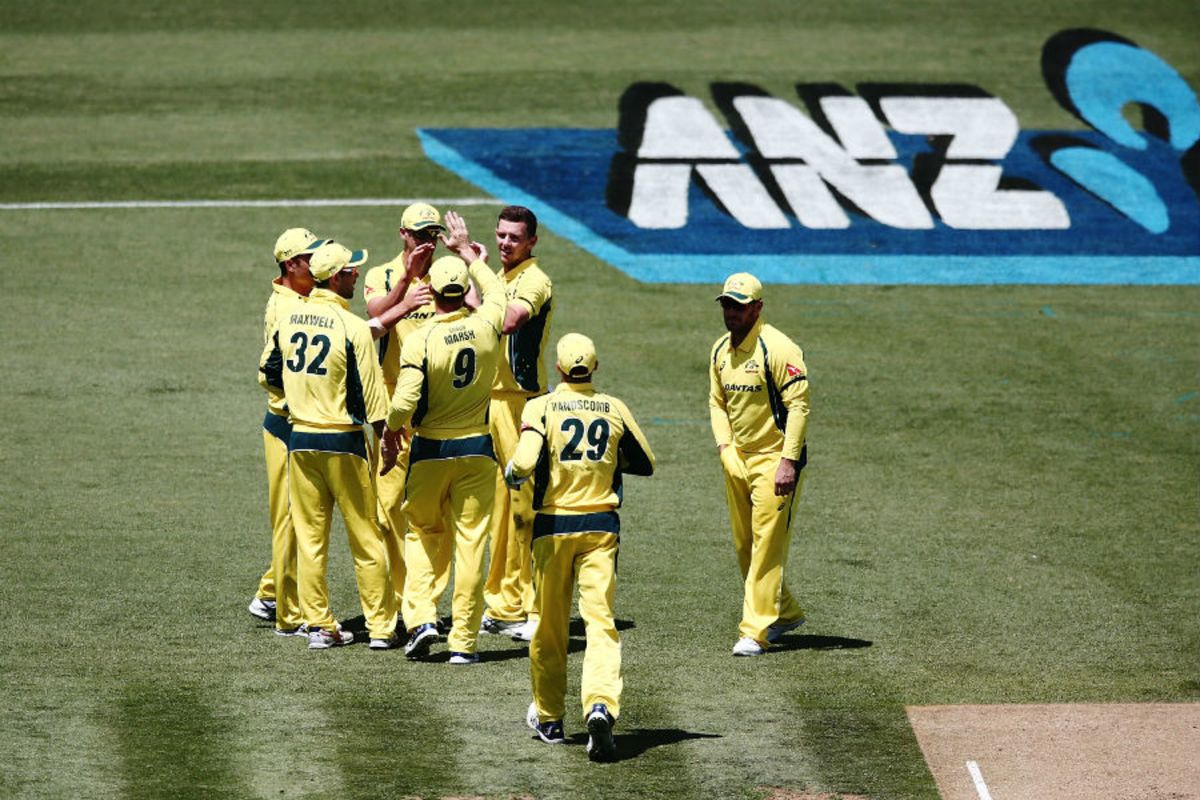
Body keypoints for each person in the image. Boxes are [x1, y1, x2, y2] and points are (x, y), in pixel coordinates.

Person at [505, 333, 655, 762]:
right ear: (594, 367)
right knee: (600, 624)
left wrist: (513, 473)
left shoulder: (540, 407)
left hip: (553, 528)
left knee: (550, 628)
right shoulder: (614, 407)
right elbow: (646, 461)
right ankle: (600, 706)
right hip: (601, 530)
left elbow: (527, 460)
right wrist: (605, 462)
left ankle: (550, 719)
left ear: (558, 368)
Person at [260, 241, 398, 650]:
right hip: (344, 443)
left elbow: (267, 373)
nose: (356, 274)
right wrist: (386, 442)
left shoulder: (290, 318)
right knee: (366, 537)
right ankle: (381, 627)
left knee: (310, 538)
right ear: (336, 278)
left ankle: (319, 626)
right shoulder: (353, 327)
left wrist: (301, 399)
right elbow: (373, 401)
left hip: (300, 441)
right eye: (352, 270)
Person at [381, 213, 506, 664]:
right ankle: (464, 644)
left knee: (422, 534)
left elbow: (403, 405)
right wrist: (468, 252)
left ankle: (422, 618)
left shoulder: (422, 341)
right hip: (478, 449)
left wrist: (391, 430)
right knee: (472, 544)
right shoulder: (488, 323)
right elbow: (496, 292)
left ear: (431, 291)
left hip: (431, 450)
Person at [708, 272, 810, 657]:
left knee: (767, 546)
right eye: (727, 305)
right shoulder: (720, 350)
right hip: (737, 458)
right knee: (745, 545)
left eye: (740, 306)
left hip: (775, 461)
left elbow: (799, 407)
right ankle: (785, 612)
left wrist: (788, 461)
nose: (731, 313)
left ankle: (755, 631)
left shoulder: (779, 349)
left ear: (758, 308)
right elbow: (716, 402)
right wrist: (724, 448)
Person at [362, 203, 446, 618]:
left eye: (433, 234)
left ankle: (424, 601)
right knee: (388, 506)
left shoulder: (450, 276)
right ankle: (398, 599)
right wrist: (408, 285)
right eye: (419, 234)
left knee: (438, 511)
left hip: (443, 407)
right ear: (403, 234)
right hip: (395, 404)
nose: (426, 242)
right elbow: (375, 317)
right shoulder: (381, 274)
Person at [481, 206, 554, 643]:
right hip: (491, 405)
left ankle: (534, 608)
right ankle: (504, 603)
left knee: (526, 509)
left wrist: (475, 267)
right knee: (501, 512)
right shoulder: (501, 279)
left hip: (524, 407)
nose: (505, 243)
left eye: (514, 237)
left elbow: (508, 321)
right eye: (500, 235)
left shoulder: (535, 280)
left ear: (531, 243)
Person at [248, 227, 326, 636]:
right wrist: (301, 399)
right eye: (309, 258)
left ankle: (269, 592)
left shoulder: (302, 297)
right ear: (291, 264)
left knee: (302, 519)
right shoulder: (284, 308)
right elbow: (269, 372)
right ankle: (288, 614)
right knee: (291, 521)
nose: (316, 264)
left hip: (297, 424)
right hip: (286, 426)